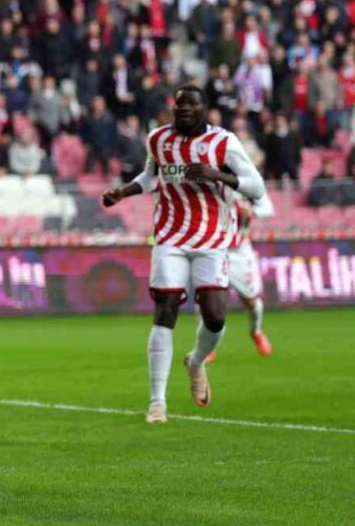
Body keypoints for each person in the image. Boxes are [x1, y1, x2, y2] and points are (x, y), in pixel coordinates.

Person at [101, 85, 265, 425]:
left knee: (215, 317)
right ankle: (157, 402)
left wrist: (216, 174)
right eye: (180, 104)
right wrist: (124, 192)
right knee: (165, 310)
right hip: (170, 237)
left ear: (204, 109)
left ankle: (196, 361)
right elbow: (151, 176)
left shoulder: (223, 142)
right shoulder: (158, 139)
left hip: (211, 238)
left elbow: (257, 186)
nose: (185, 109)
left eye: (192, 104)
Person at [206, 195, 275, 364]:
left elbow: (269, 209)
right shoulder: (213, 185)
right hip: (215, 251)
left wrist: (252, 211)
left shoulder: (248, 185)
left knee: (250, 301)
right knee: (209, 301)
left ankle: (255, 331)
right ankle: (208, 346)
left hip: (240, 253)